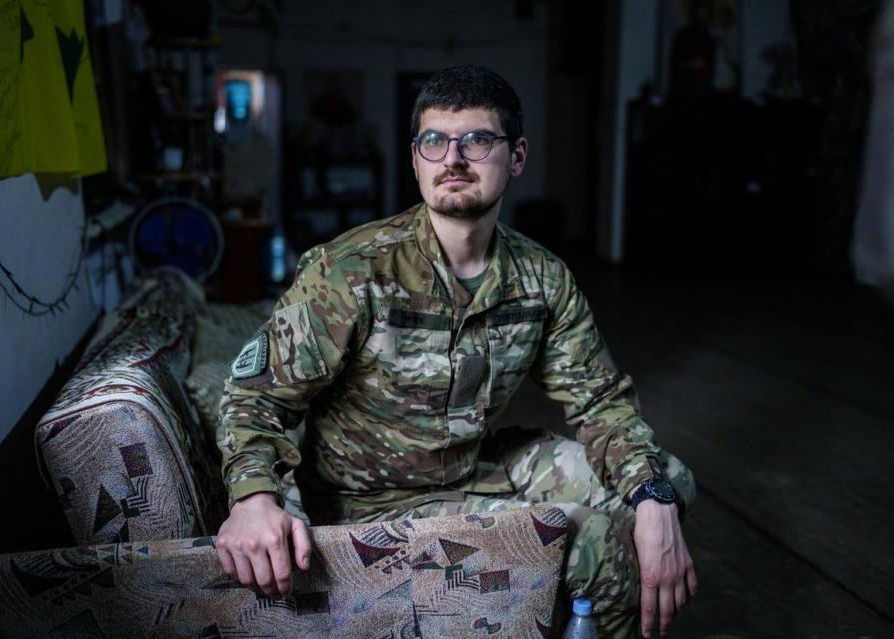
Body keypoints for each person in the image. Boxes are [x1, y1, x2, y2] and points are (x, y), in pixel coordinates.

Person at [215, 65, 697, 639]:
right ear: (416, 158)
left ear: (516, 156)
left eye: (478, 140)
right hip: (370, 502)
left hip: (477, 470)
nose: (454, 159)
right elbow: (255, 396)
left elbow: (601, 404)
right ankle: (575, 597)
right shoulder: (352, 272)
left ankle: (566, 613)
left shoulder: (541, 278)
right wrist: (252, 496)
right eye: (435, 141)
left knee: (664, 481)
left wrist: (653, 500)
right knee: (595, 540)